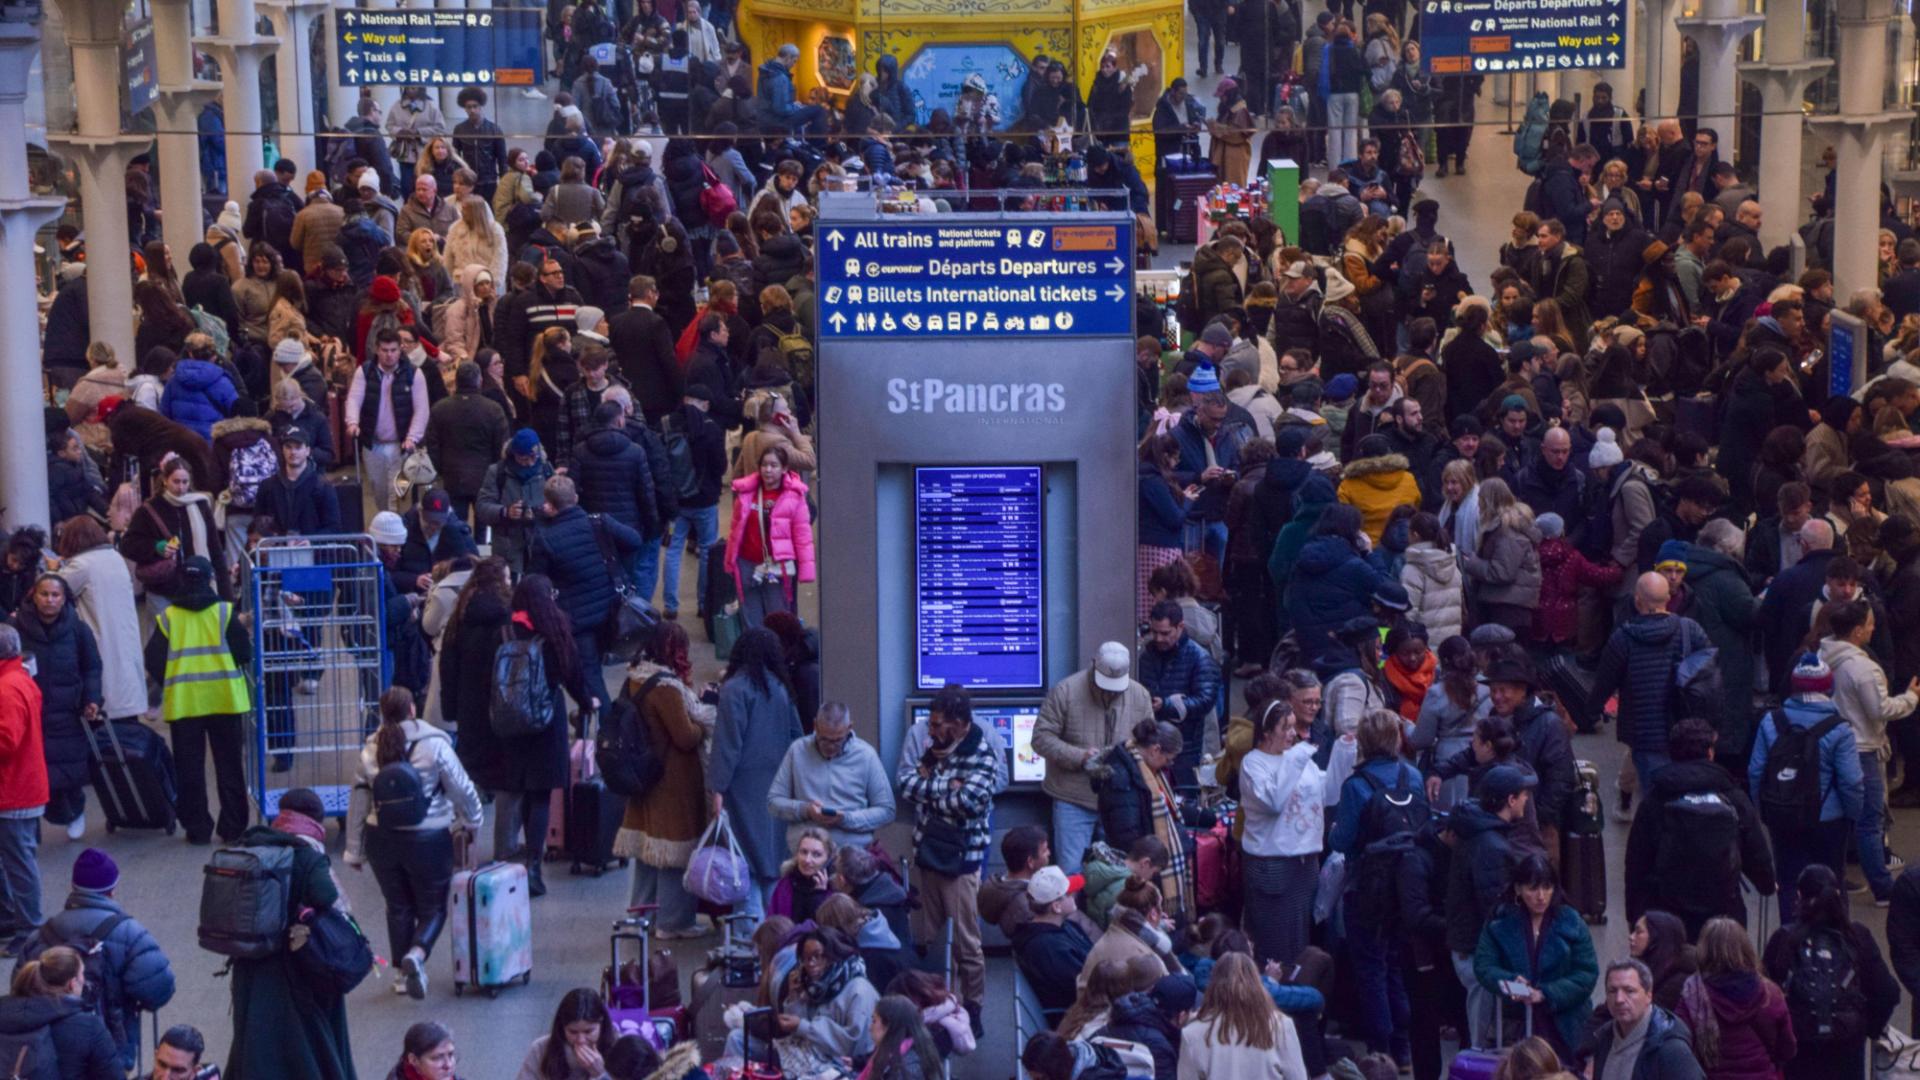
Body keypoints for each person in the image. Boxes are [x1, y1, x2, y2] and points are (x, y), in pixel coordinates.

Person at [344, 687, 483, 1001]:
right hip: (428, 839)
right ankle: (416, 955)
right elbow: (461, 787)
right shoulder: (434, 745)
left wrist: (355, 850)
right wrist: (473, 820)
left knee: (398, 906)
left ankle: (400, 976)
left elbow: (359, 801)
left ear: (383, 714)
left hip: (382, 839)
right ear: (412, 710)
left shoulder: (370, 749)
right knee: (433, 907)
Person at [224, 788, 355, 1079]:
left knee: (254, 1040)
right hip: (295, 965)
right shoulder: (307, 855)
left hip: (250, 963)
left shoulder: (251, 846)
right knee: (303, 1042)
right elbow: (327, 897)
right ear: (316, 820)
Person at [12, 848, 172, 1071]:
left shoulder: (39, 936)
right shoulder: (131, 933)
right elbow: (158, 990)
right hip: (110, 1053)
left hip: (44, 1055)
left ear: (73, 887)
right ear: (112, 891)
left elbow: (19, 990)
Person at [895, 682, 997, 1026]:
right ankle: (941, 1004)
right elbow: (906, 785)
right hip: (928, 853)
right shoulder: (931, 748)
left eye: (938, 724)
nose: (931, 730)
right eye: (931, 723)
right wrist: (946, 786)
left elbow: (969, 803)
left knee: (966, 943)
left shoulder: (982, 753)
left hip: (961, 861)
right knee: (932, 938)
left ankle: (973, 1008)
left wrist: (930, 791)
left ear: (960, 724)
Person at [1624, 717, 1776, 936]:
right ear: (1710, 753)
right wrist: (1766, 883)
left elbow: (1637, 861)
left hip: (1668, 914)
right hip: (1723, 913)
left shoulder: (1657, 799)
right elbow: (1755, 849)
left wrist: (1634, 916)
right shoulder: (1732, 795)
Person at [495, 574, 597, 897]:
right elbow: (573, 675)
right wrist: (587, 702)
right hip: (545, 722)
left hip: (511, 724)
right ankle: (533, 865)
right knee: (540, 796)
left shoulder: (504, 632)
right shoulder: (554, 631)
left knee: (521, 791)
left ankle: (515, 858)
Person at [1747, 654, 1864, 922]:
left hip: (1783, 814)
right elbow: (1852, 781)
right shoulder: (1839, 728)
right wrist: (1851, 815)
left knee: (1789, 881)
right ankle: (1834, 937)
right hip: (1829, 818)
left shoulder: (1771, 721)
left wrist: (1763, 812)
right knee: (1832, 881)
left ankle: (1792, 937)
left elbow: (1755, 771)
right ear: (1828, 687)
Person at [611, 620, 710, 937]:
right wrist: (703, 722)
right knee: (673, 852)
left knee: (648, 854)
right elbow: (685, 736)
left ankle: (641, 916)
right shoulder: (665, 687)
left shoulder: (636, 678)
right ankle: (673, 921)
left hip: (646, 776)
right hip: (672, 781)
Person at [141, 557, 249, 846]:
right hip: (226, 700)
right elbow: (244, 652)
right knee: (230, 766)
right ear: (209, 579)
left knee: (189, 769)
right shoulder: (224, 612)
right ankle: (233, 826)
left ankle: (197, 828)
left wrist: (173, 678)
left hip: (185, 703)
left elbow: (153, 659)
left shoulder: (169, 617)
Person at [1817, 599, 1917, 906]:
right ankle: (1883, 888)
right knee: (1870, 820)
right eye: (1870, 623)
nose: (1874, 628)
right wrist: (1911, 698)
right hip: (1863, 748)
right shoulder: (1863, 668)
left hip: (1832, 743)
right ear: (1858, 631)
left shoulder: (1822, 655)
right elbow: (1880, 710)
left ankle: (1832, 880)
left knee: (1838, 818)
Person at [1763, 865, 1901, 1080]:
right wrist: (1865, 1028)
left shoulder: (1784, 939)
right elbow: (1888, 993)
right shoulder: (1858, 937)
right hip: (1847, 1051)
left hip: (1799, 1051)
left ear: (1799, 897)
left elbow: (1764, 999)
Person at [1033, 642, 1154, 873]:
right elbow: (1041, 738)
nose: (1111, 691)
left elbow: (1148, 743)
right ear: (1093, 665)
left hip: (1121, 799)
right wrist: (1080, 756)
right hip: (1073, 798)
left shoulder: (1140, 695)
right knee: (1072, 870)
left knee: (1121, 872)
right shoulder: (1065, 691)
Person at [709, 627, 803, 919]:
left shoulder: (734, 689)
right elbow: (796, 735)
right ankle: (777, 927)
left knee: (743, 862)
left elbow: (727, 744)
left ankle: (750, 932)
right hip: (779, 783)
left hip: (742, 786)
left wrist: (717, 787)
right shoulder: (780, 688)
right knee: (772, 861)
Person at [1473, 853, 1598, 1060]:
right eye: (1533, 888)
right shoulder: (1499, 922)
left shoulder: (1571, 921)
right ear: (1518, 889)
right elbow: (1484, 966)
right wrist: (1510, 981)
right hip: (1516, 1022)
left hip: (1565, 1023)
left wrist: (1546, 993)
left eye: (1547, 887)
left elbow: (1586, 973)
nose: (1541, 896)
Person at [1592, 572, 1711, 790]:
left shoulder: (1623, 638)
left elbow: (1604, 683)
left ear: (1637, 600)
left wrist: (1590, 712)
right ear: (1668, 599)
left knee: (1655, 793)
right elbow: (1710, 676)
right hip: (1685, 729)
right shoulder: (1690, 630)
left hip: (1644, 734)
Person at [526, 475, 638, 705]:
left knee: (591, 678)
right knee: (596, 669)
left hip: (578, 620)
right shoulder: (600, 522)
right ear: (575, 498)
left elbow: (535, 582)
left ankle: (605, 723)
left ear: (549, 505)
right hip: (611, 610)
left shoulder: (546, 539)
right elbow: (634, 540)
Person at [1235, 684, 1324, 967]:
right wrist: (1296, 759)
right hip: (1271, 864)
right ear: (1266, 732)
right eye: (1285, 728)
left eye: (1293, 727)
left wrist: (1345, 753)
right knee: (1274, 944)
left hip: (1304, 861)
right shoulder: (1253, 764)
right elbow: (1273, 801)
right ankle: (1269, 990)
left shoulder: (1295, 758)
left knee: (1299, 940)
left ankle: (1294, 989)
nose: (1292, 734)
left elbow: (1326, 791)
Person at [1448, 764, 1534, 1046]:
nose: (1527, 799)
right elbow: (1495, 909)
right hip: (1478, 952)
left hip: (1468, 945)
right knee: (1482, 1040)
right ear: (1511, 800)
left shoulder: (1479, 834)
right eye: (1523, 794)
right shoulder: (1492, 847)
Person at [13, 573, 101, 842]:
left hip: (68, 712)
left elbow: (92, 667)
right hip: (28, 713)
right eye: (44, 594)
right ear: (34, 596)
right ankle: (32, 826)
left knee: (68, 771)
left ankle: (73, 810)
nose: (49, 600)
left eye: (55, 595)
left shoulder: (78, 630)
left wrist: (92, 699)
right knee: (32, 773)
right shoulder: (16, 628)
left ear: (64, 599)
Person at [1097, 719, 1195, 921]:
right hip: (1143, 866)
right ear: (1155, 750)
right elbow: (1126, 834)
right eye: (1168, 759)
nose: (1169, 765)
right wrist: (1152, 861)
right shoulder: (1123, 778)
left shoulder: (1142, 769)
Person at [1675, 917, 1796, 1080]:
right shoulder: (1770, 993)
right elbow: (1787, 1049)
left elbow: (1680, 1045)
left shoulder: (1694, 993)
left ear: (1704, 950)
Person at [769, 701, 895, 851]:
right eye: (824, 739)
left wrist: (846, 819)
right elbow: (773, 802)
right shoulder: (798, 750)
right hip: (805, 853)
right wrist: (806, 810)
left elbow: (887, 811)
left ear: (849, 728)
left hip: (852, 854)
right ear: (815, 726)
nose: (830, 746)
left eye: (837, 740)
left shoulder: (866, 755)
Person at [1175, 951, 1307, 1080]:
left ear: (1213, 984)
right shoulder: (1281, 1025)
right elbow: (1297, 1076)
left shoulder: (1192, 1033)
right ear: (1257, 983)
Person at [724, 444, 815, 628]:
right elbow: (735, 530)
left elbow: (803, 537)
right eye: (765, 465)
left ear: (784, 468)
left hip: (777, 567)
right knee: (751, 617)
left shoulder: (794, 496)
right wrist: (730, 560)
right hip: (747, 563)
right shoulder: (746, 492)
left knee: (777, 617)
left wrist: (806, 571)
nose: (768, 470)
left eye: (774, 465)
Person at [0, 945, 120, 1079]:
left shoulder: (5, 1011)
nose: (84, 980)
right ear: (72, 984)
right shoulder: (89, 1027)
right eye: (82, 974)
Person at [347, 328, 432, 514]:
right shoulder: (364, 372)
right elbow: (354, 399)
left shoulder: (414, 374)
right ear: (377, 349)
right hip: (373, 445)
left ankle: (399, 525)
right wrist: (352, 422)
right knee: (379, 491)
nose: (389, 355)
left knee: (400, 493)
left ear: (400, 349)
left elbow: (421, 410)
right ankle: (386, 522)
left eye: (393, 350)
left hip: (402, 446)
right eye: (385, 350)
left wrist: (412, 437)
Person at [423, 361, 511, 527]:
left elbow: (432, 445)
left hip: (452, 477)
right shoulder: (494, 410)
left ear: (456, 381)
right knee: (484, 528)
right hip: (485, 477)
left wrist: (441, 469)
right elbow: (502, 447)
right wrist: (495, 472)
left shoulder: (440, 409)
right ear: (480, 381)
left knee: (455, 527)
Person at [1590, 959, 1707, 1080]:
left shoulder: (1670, 1049)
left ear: (1648, 995)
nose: (1619, 999)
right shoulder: (1603, 1039)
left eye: (1629, 991)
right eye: (1612, 991)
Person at [478, 429, 555, 576]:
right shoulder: (497, 472)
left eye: (533, 457)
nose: (530, 463)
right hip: (508, 550)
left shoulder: (546, 470)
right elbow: (482, 507)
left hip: (539, 546)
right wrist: (505, 512)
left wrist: (546, 510)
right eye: (524, 459)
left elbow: (558, 504)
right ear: (514, 454)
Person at [516, 988, 617, 1079]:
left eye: (588, 1031)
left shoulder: (618, 1047)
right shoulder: (541, 1049)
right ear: (562, 1027)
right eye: (573, 1032)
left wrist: (601, 1075)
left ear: (602, 1024)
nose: (581, 1040)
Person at [863, 993, 943, 1080]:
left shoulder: (907, 1068)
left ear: (889, 1026)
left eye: (874, 1021)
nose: (870, 1028)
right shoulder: (900, 1056)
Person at [151, 1023, 217, 1080]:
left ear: (194, 1072)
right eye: (162, 1065)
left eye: (178, 1070)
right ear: (156, 1056)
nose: (165, 1078)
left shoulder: (211, 1073)